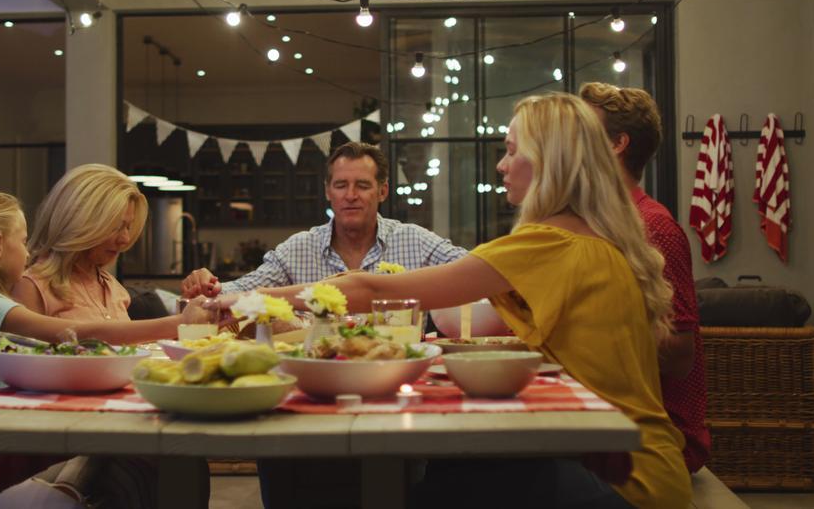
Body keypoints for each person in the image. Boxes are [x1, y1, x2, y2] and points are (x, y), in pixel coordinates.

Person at [220, 93, 692, 508]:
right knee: (446, 471)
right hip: (642, 465)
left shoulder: (549, 243)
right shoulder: (592, 236)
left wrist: (246, 300)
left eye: (511, 151)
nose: (501, 165)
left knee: (423, 487)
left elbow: (368, 289)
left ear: (551, 161)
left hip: (625, 483)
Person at [0, 190, 211, 508]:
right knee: (149, 460)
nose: (28, 254)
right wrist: (176, 323)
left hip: (5, 443)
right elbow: (81, 333)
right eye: (23, 242)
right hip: (1, 453)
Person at [579, 81, 710, 473]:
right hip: (609, 418)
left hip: (654, 436)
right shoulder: (594, 221)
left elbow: (677, 355)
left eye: (583, 132)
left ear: (617, 144)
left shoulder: (653, 226)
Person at [180, 142, 467, 298]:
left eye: (363, 186)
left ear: (382, 192)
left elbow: (474, 269)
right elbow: (245, 289)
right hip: (319, 376)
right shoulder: (299, 248)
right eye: (341, 185)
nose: (350, 195)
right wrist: (208, 286)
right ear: (328, 191)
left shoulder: (415, 241)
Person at [12, 163, 180, 341]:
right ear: (80, 223)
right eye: (116, 227)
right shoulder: (32, 287)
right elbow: (22, 362)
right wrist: (181, 323)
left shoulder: (111, 286)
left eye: (128, 227)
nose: (125, 239)